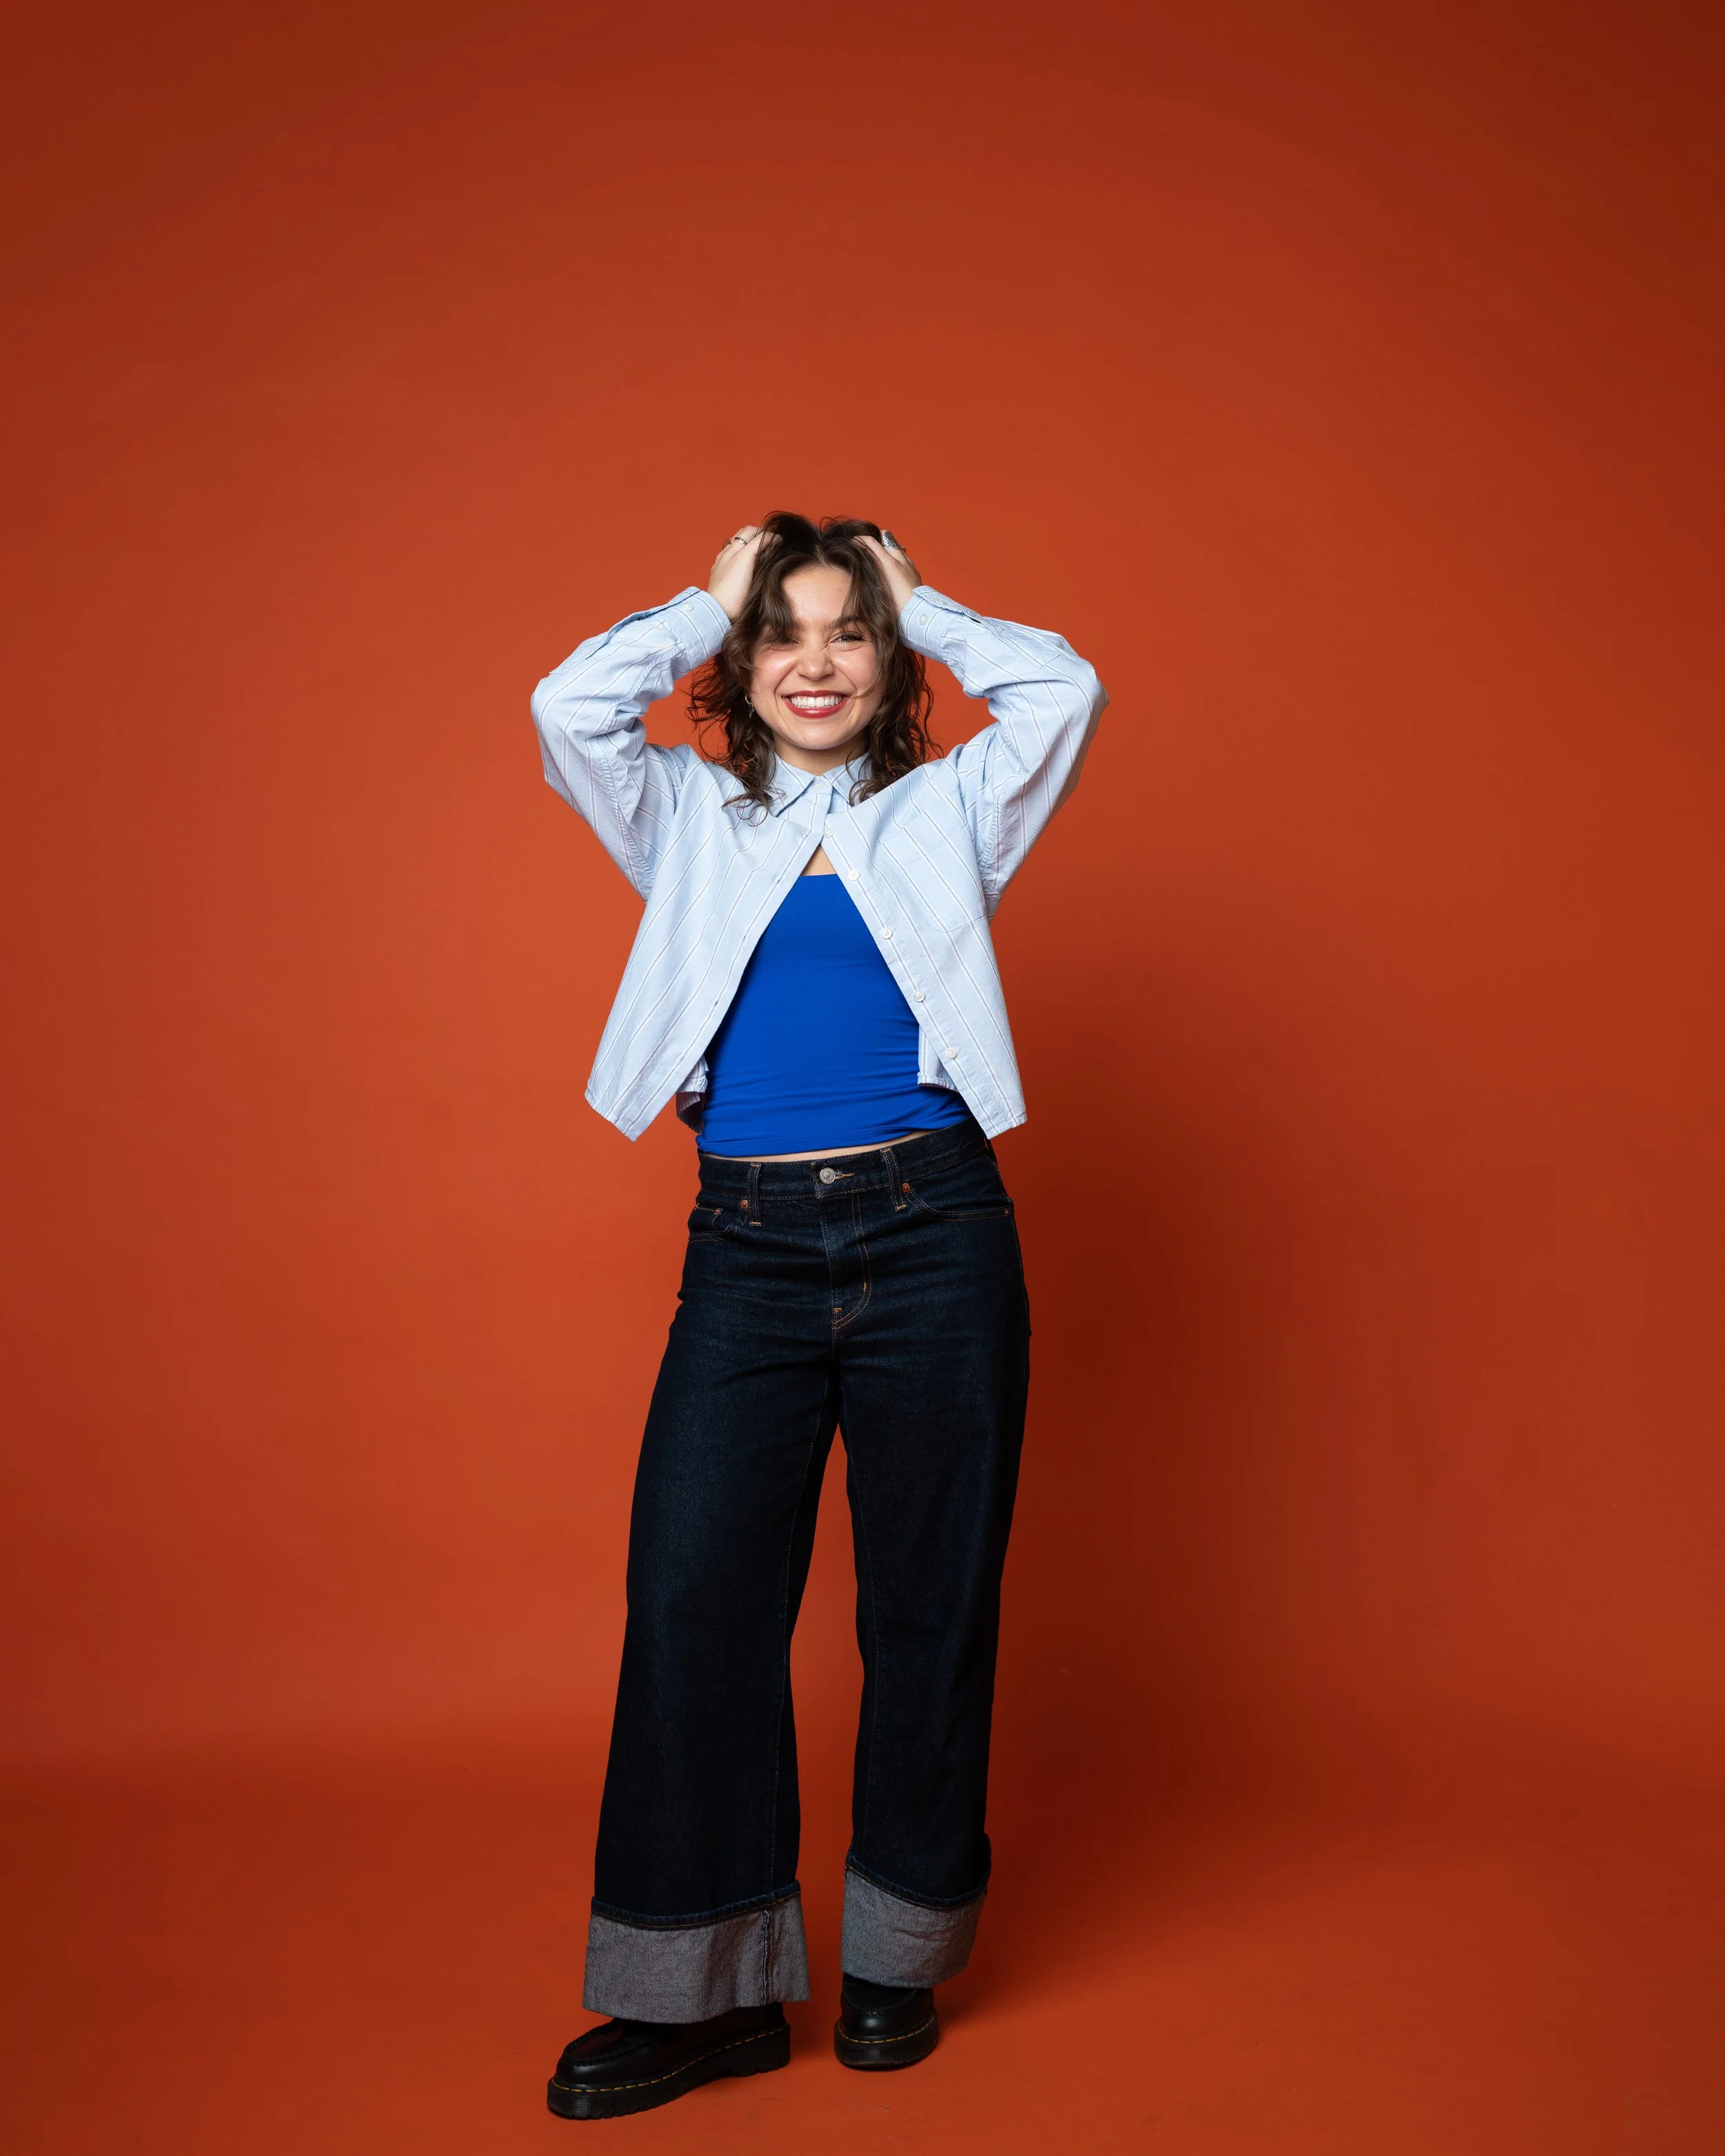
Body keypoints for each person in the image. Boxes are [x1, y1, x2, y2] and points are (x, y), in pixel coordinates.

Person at [529, 515, 1106, 2119]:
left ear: (888, 658)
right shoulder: (686, 817)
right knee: (693, 1598)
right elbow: (567, 708)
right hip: (747, 1250)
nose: (814, 661)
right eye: (779, 632)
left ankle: (894, 1959)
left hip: (935, 1234)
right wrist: (698, 601)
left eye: (847, 630)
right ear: (739, 660)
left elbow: (1062, 689)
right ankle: (702, 1995)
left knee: (928, 1603)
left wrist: (927, 603)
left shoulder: (950, 810)